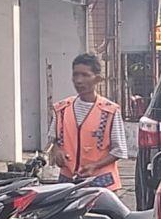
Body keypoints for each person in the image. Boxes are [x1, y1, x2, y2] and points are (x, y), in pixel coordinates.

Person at [47, 53, 128, 191]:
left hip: (100, 183)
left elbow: (118, 151)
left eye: (85, 75)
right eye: (75, 75)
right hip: (68, 181)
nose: (79, 81)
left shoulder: (110, 111)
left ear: (97, 79)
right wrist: (56, 150)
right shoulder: (62, 109)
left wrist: (95, 165)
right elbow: (53, 141)